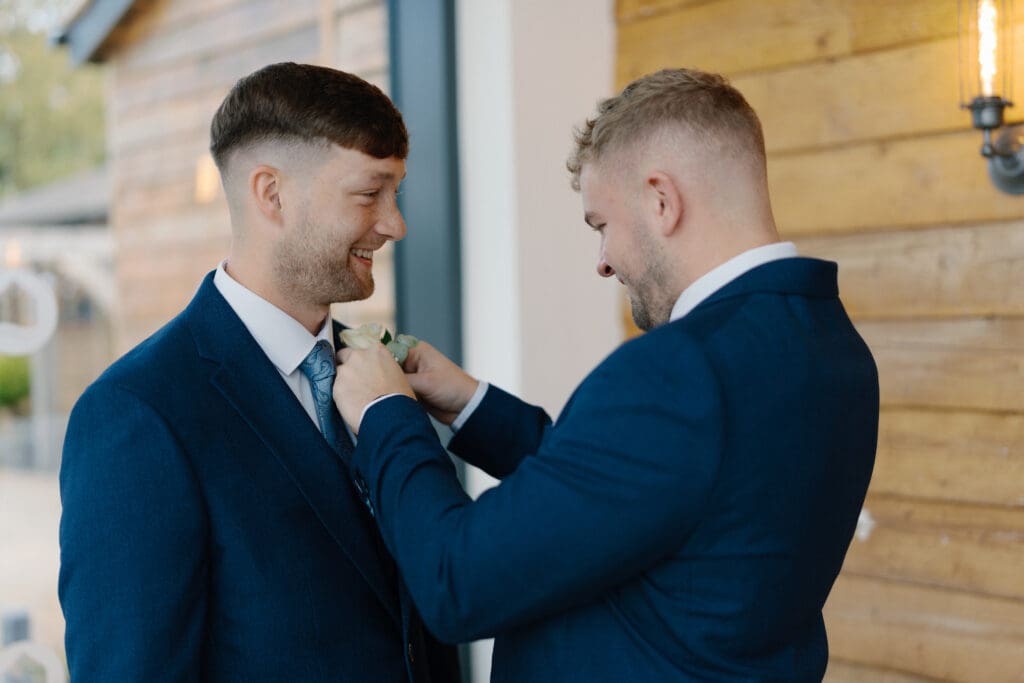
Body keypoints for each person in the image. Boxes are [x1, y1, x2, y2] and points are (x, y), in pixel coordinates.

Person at [333, 68, 879, 682]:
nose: (603, 261)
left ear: (661, 200)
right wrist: (470, 405)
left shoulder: (679, 369)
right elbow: (648, 487)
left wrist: (387, 415)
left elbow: (456, 582)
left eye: (601, 225)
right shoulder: (832, 348)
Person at [59, 62, 459, 682]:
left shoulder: (379, 379)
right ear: (270, 193)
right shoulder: (138, 413)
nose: (394, 224)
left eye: (396, 193)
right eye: (369, 193)